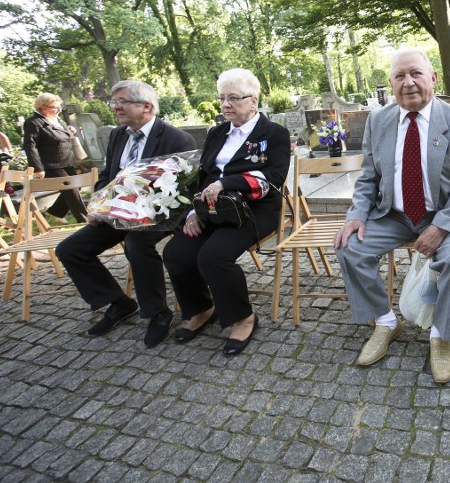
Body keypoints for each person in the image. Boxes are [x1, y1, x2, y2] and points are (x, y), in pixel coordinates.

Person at [334, 48, 450, 384]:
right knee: (349, 246)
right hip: (396, 214)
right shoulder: (379, 120)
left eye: (416, 73)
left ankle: (441, 335)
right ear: (391, 84)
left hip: (449, 214)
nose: (408, 82)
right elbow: (369, 177)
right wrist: (357, 214)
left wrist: (441, 227)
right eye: (399, 76)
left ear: (432, 78)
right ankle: (386, 322)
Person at [55, 81, 196, 347]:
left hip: (159, 214)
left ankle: (157, 312)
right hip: (117, 212)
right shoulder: (119, 135)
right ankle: (119, 303)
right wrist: (98, 206)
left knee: (136, 244)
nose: (116, 106)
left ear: (147, 106)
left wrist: (143, 212)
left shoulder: (176, 139)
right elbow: (108, 177)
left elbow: (183, 192)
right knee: (70, 249)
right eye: (114, 101)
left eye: (122, 101)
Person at [163, 69, 290, 355]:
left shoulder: (274, 133)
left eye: (233, 98)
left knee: (213, 257)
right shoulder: (217, 132)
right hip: (211, 209)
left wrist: (226, 183)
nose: (225, 105)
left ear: (253, 100)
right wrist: (194, 211)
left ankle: (243, 318)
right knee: (176, 253)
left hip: (255, 208)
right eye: (222, 98)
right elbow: (204, 174)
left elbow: (274, 177)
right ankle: (202, 308)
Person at [23, 93, 88, 222]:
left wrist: (69, 130)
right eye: (54, 107)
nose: (58, 110)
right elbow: (30, 146)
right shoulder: (33, 122)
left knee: (77, 185)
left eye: (59, 107)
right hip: (51, 165)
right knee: (70, 188)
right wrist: (37, 167)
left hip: (68, 161)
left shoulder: (58, 120)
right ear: (42, 107)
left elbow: (62, 136)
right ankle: (86, 220)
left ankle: (55, 212)